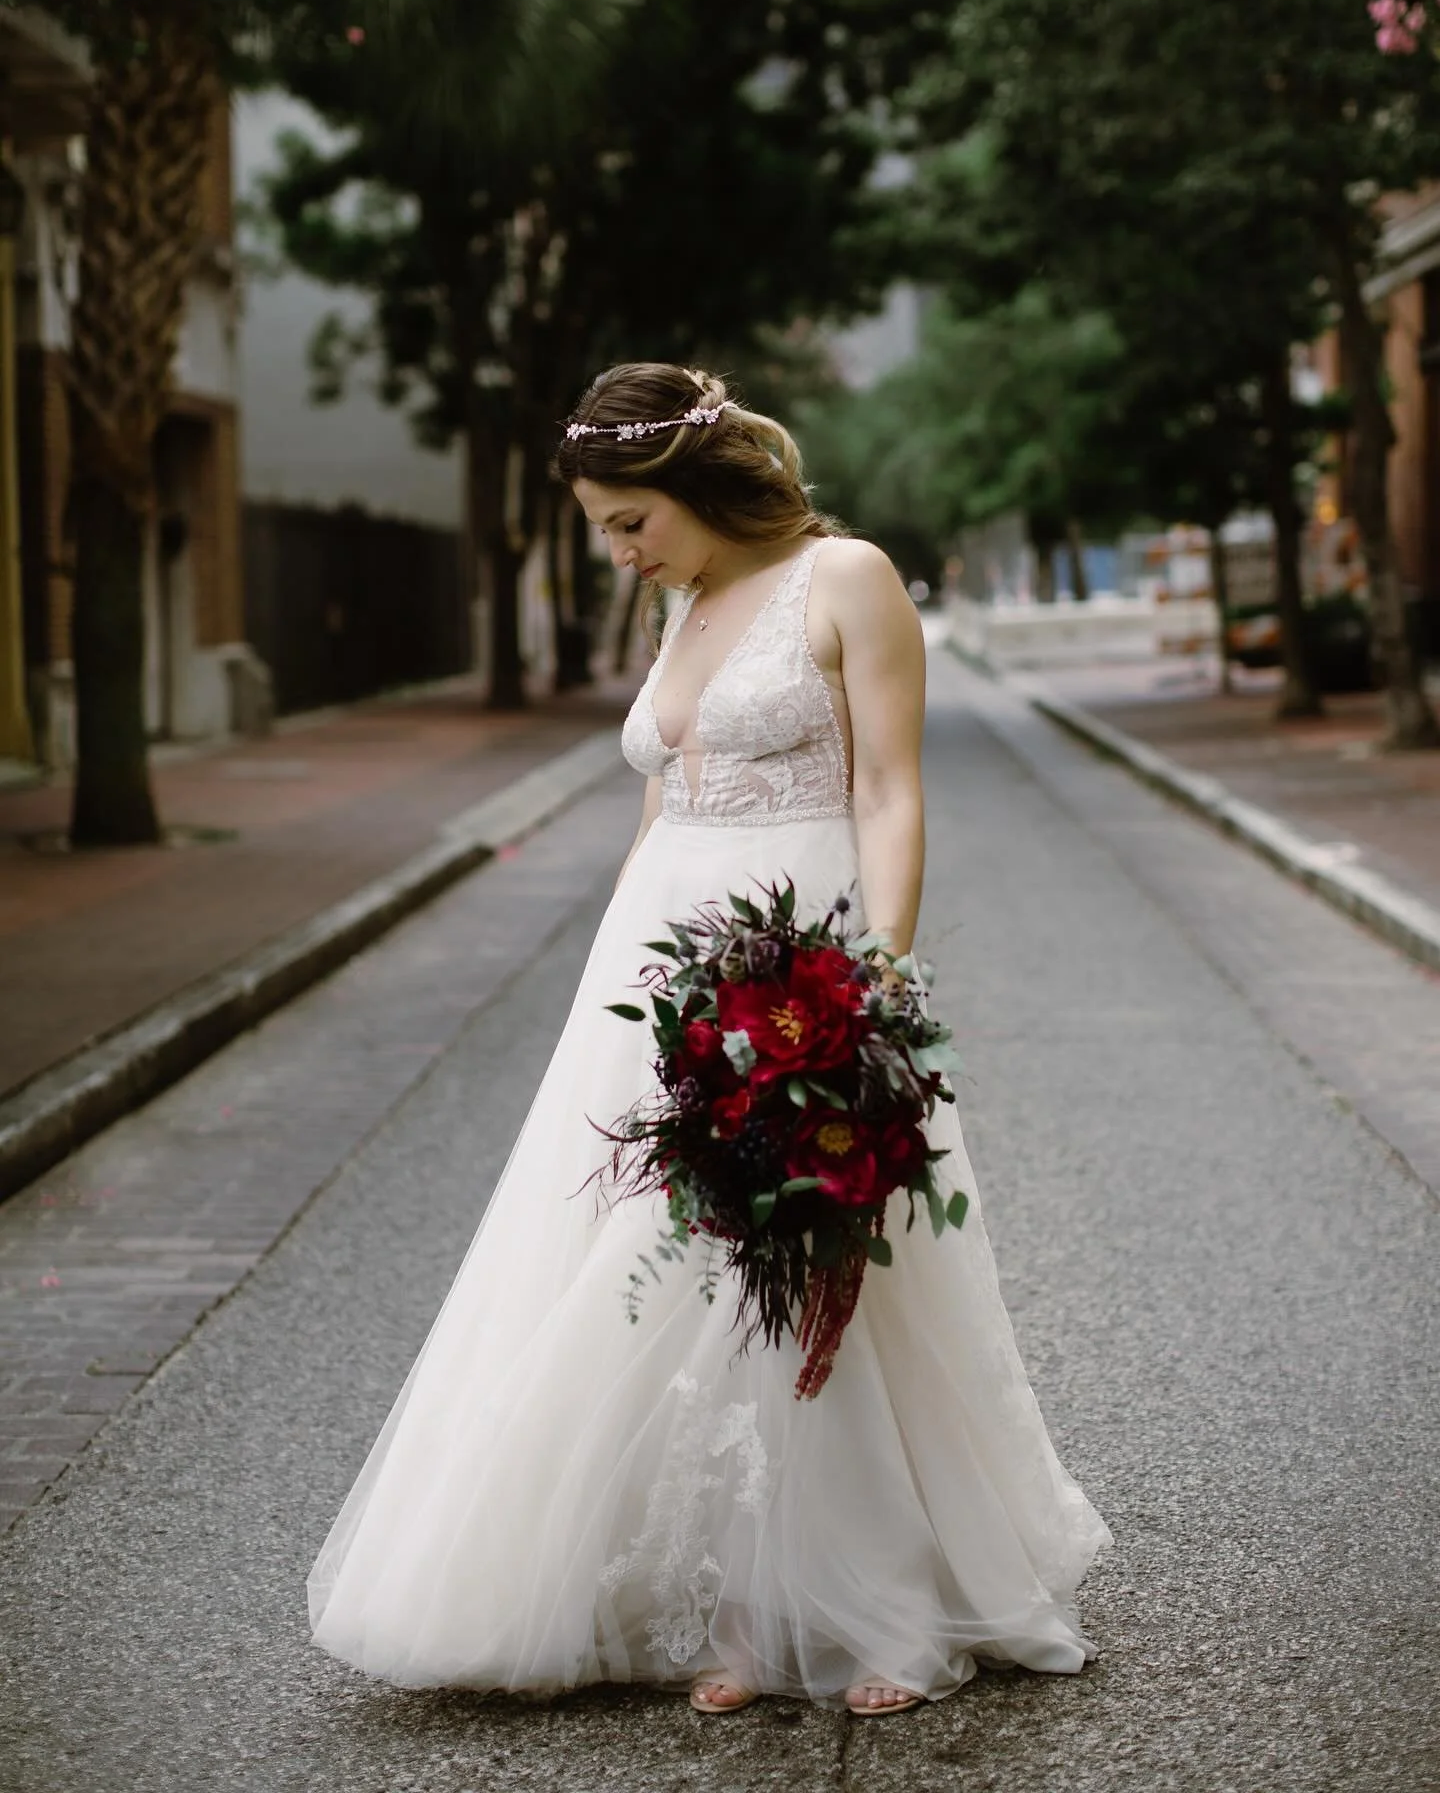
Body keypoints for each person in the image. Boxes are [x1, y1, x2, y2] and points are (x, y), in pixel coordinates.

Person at [308, 363, 1110, 1717]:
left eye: (631, 523)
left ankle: (881, 1612)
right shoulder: (679, 603)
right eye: (606, 531)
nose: (620, 553)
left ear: (695, 486)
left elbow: (890, 787)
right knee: (670, 1292)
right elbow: (664, 803)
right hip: (657, 980)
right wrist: (609, 977)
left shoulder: (848, 577)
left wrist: (873, 985)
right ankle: (739, 1610)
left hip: (801, 969)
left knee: (808, 1276)